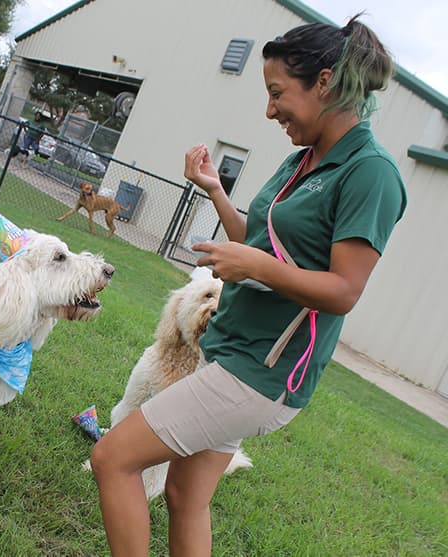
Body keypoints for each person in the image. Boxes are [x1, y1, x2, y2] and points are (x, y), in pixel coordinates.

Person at [90, 14, 406, 557]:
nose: (270, 109)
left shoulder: (370, 172)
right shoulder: (301, 158)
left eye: (278, 92)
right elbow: (262, 243)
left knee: (112, 458)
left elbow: (343, 290)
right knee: (185, 495)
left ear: (325, 82)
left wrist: (255, 267)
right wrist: (214, 189)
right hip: (231, 351)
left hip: (263, 373)